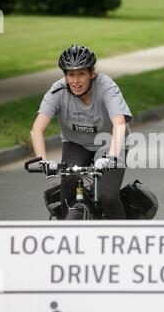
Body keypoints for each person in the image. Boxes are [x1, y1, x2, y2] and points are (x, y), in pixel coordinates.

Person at [30, 44, 132, 219]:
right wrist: (43, 161)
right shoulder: (57, 91)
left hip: (110, 143)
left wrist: (112, 157)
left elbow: (120, 124)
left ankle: (121, 238)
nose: (76, 80)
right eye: (71, 74)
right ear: (65, 75)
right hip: (76, 143)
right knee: (67, 194)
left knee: (107, 196)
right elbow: (37, 129)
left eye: (81, 74)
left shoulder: (107, 87)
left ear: (92, 74)